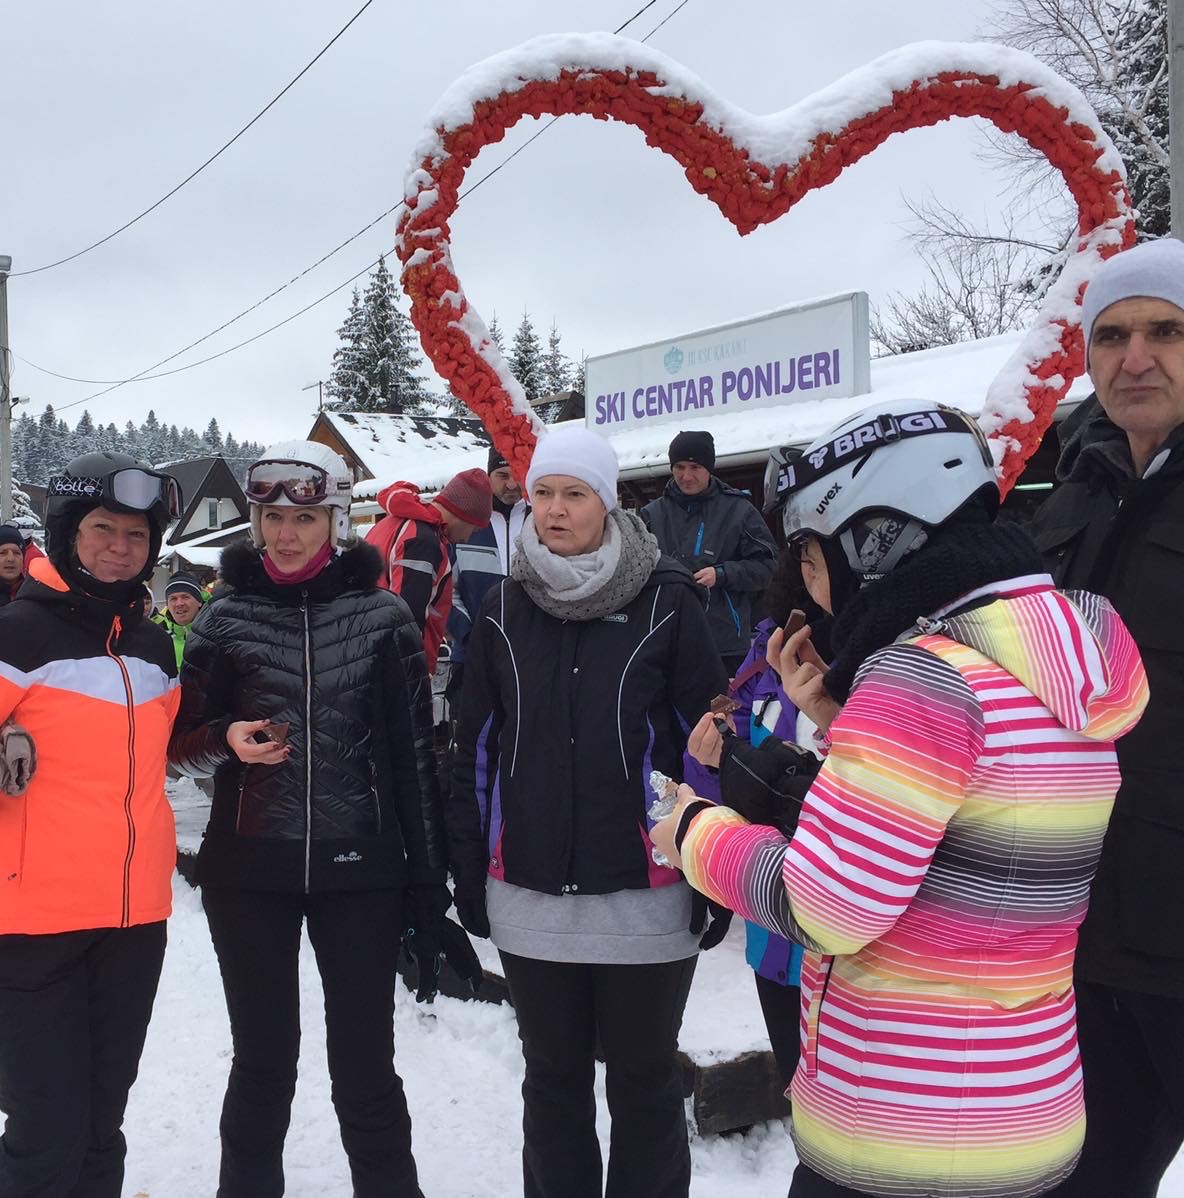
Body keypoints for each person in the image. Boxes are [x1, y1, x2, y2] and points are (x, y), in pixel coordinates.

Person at [655, 400, 1150, 1198]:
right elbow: (984, 823)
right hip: (1026, 1112)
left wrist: (693, 829)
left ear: (875, 537)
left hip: (899, 1136)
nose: (814, 595)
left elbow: (826, 907)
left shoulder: (921, 678)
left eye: (813, 561)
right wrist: (838, 720)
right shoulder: (1057, 656)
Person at [170, 440, 463, 1198]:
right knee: (263, 1064)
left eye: (305, 516)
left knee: (365, 1067)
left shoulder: (382, 618)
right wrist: (221, 743)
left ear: (335, 520)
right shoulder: (221, 619)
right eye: (273, 517)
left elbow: (413, 762)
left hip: (358, 870)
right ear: (257, 520)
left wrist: (429, 891)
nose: (287, 534)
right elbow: (174, 749)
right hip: (247, 869)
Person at [448, 425, 729, 1198]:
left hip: (647, 895)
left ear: (607, 502)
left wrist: (714, 867)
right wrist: (470, 864)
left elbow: (707, 745)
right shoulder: (503, 606)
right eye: (542, 493)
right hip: (530, 894)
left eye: (574, 494)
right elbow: (473, 748)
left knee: (644, 1087)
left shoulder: (667, 601)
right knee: (553, 1085)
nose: (555, 510)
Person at [0, 451, 183, 1197]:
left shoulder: (153, 645)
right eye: (103, 529)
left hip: (132, 923)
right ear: (67, 534)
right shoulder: (10, 638)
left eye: (136, 534)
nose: (120, 547)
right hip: (27, 925)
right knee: (43, 1136)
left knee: (102, 1128)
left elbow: (154, 762)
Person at [1031, 237, 1184, 1197]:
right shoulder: (1069, 489)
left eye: (1166, 332)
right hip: (1081, 931)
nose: (1136, 358)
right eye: (1113, 335)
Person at [684, 553, 832, 1097]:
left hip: (848, 940)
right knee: (801, 1091)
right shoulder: (760, 662)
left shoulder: (876, 666)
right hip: (774, 928)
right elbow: (719, 756)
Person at [639, 429, 778, 675]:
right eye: (679, 467)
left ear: (709, 468)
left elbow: (768, 567)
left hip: (725, 646)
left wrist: (722, 574)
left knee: (724, 713)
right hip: (664, 639)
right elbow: (634, 570)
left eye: (695, 467)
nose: (686, 476)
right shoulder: (652, 514)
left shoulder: (739, 510)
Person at [365, 465, 492, 665]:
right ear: (463, 515)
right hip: (391, 667)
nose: (467, 538)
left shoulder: (394, 522)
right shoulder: (423, 541)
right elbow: (406, 621)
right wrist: (412, 680)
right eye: (474, 530)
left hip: (367, 650)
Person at [447, 446, 531, 696]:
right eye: (502, 476)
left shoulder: (538, 520)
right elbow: (446, 590)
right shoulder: (467, 522)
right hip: (473, 657)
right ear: (488, 476)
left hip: (529, 656)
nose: (512, 484)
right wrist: (470, 636)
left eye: (517, 474)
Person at [155, 572, 206, 670]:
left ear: (199, 601)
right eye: (173, 599)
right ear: (167, 605)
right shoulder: (158, 636)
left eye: (185, 597)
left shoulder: (216, 632)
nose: (179, 603)